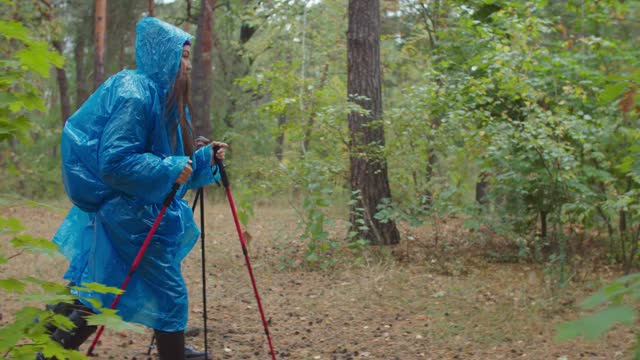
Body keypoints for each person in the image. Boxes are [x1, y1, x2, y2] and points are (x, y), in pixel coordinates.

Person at [40, 17, 226, 360]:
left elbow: (170, 163)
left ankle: (48, 343)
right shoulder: (135, 94)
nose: (186, 65)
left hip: (143, 208)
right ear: (162, 56)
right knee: (161, 291)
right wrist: (172, 168)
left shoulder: (163, 97)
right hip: (129, 213)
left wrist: (203, 161)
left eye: (188, 57)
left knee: (101, 287)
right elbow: (117, 163)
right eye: (182, 57)